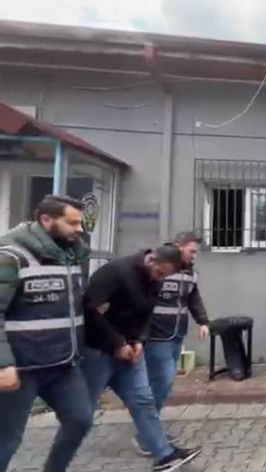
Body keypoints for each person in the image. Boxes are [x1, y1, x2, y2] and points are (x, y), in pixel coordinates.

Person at [81, 245, 202, 471]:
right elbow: (89, 311)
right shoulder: (115, 272)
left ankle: (164, 456)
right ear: (151, 259)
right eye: (160, 273)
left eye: (165, 276)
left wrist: (139, 340)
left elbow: (146, 314)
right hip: (98, 352)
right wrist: (117, 343)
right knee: (82, 411)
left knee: (143, 400)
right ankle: (58, 457)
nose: (160, 279)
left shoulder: (156, 279)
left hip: (128, 352)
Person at [0, 195, 94, 472]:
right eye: (72, 223)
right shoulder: (11, 257)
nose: (80, 229)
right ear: (46, 219)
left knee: (80, 419)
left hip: (62, 365)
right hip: (21, 368)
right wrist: (3, 364)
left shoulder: (70, 256)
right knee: (6, 440)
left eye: (80, 223)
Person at [133, 232, 210, 456]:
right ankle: (146, 436)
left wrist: (203, 321)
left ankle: (152, 430)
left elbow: (193, 298)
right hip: (156, 336)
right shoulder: (159, 267)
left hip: (176, 335)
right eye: (191, 251)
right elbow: (141, 300)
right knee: (161, 383)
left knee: (163, 384)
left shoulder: (190, 273)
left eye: (196, 252)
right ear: (178, 247)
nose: (194, 255)